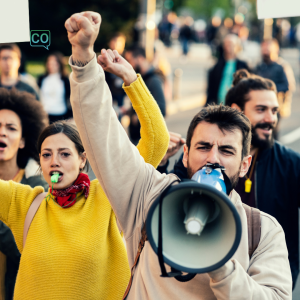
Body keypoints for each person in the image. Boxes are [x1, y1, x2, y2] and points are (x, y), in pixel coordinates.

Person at [68, 12, 292, 299]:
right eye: (203, 147)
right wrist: (84, 58)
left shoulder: (262, 231)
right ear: (185, 155)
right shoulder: (149, 194)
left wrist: (220, 264)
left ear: (245, 163)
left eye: (226, 150)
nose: (213, 159)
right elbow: (104, 137)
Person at [0, 23, 171, 298]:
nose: (54, 162)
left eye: (64, 154)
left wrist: (131, 79)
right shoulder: (25, 203)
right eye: (46, 155)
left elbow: (157, 141)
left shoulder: (108, 196)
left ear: (83, 159)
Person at [158, 69, 300, 290]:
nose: (271, 119)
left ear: (245, 164)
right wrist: (161, 162)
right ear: (238, 110)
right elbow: (167, 202)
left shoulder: (291, 164)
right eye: (261, 110)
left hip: (258, 281)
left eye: (274, 110)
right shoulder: (201, 161)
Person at [0, 88, 48, 300]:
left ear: (22, 141)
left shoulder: (36, 189)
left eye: (11, 128)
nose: (2, 132)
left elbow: (23, 249)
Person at [125, 45, 166, 144]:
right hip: (139, 138)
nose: (129, 65)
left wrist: (138, 117)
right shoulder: (142, 79)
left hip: (146, 141)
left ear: (140, 58)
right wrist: (130, 111)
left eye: (130, 61)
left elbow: (161, 109)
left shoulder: (153, 80)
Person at [206, 34, 249, 105]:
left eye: (231, 44)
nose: (228, 47)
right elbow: (211, 88)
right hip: (220, 104)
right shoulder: (217, 65)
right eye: (226, 44)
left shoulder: (243, 65)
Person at [37, 52, 73, 123]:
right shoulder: (42, 79)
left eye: (54, 63)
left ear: (60, 64)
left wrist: (71, 115)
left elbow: (70, 98)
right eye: (49, 63)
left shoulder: (65, 80)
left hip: (61, 114)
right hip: (45, 114)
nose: (51, 66)